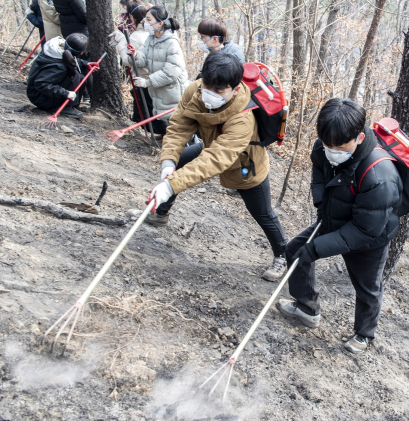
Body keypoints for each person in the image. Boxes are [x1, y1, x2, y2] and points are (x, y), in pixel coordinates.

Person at [145, 52, 289, 282]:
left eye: (219, 91)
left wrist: (171, 185)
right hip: (211, 146)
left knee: (262, 212)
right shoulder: (195, 91)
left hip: (245, 162)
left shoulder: (243, 118)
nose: (209, 94)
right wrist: (168, 162)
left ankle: (283, 254)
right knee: (179, 163)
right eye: (206, 86)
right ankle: (161, 213)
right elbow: (180, 126)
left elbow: (216, 159)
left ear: (235, 89)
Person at [276, 99, 403, 355]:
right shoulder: (325, 144)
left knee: (367, 287)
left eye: (340, 147)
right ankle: (307, 307)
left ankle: (364, 333)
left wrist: (316, 248)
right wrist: (321, 200)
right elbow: (318, 169)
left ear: (359, 137)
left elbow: (364, 230)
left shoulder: (381, 176)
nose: (332, 151)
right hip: (334, 217)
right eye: (327, 145)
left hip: (370, 237)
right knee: (295, 251)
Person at [126, 5, 188, 137]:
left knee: (177, 124)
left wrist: (147, 82)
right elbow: (142, 59)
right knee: (165, 122)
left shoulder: (171, 43)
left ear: (160, 23)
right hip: (158, 89)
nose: (145, 23)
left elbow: (171, 71)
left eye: (149, 20)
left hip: (172, 90)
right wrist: (135, 55)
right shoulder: (151, 38)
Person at [110, 1, 161, 132]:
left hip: (143, 78)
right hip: (155, 77)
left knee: (145, 109)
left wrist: (121, 41)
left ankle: (147, 130)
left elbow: (128, 60)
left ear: (131, 17)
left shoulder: (136, 37)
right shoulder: (154, 33)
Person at [26, 33, 95, 119]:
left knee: (80, 77)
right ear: (80, 53)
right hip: (40, 98)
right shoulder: (60, 66)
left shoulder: (55, 49)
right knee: (75, 75)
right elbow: (41, 84)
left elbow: (72, 59)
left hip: (38, 93)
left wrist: (85, 64)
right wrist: (66, 93)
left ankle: (72, 106)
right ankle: (65, 107)